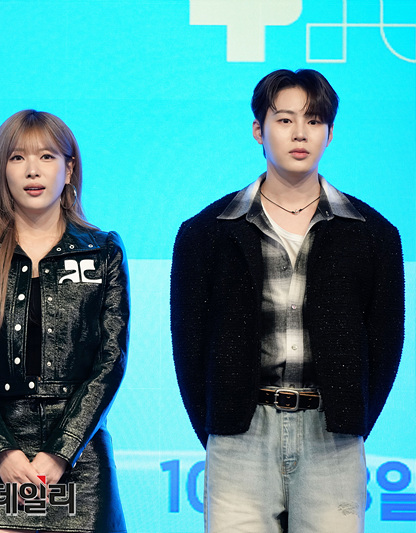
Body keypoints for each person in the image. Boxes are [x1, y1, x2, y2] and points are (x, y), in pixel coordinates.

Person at [170, 69, 404, 532]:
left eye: (314, 121)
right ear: (259, 130)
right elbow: (190, 350)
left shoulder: (374, 235)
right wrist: (221, 426)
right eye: (284, 120)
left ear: (330, 133)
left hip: (333, 437)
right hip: (240, 434)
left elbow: (384, 348)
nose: (300, 133)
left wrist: (350, 418)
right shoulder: (205, 233)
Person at [0, 110, 129, 533]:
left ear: (69, 169)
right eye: (17, 157)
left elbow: (111, 360)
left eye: (47, 156)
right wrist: (1, 450)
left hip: (80, 454)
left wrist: (62, 451)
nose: (33, 170)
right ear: (1, 170)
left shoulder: (103, 251)